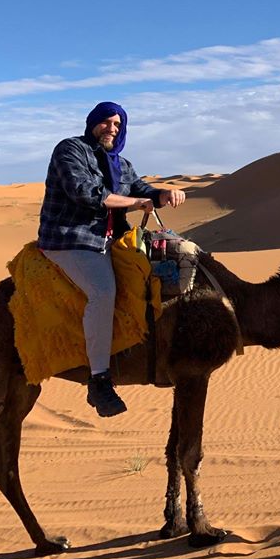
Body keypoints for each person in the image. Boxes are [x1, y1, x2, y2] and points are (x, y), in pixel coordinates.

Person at [37, 101, 186, 417]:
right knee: (103, 291)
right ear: (93, 122)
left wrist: (164, 195)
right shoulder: (70, 150)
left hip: (111, 240)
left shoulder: (121, 164)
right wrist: (136, 202)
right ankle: (99, 379)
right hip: (71, 238)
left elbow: (143, 189)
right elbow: (86, 193)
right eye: (106, 122)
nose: (112, 129)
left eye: (118, 124)